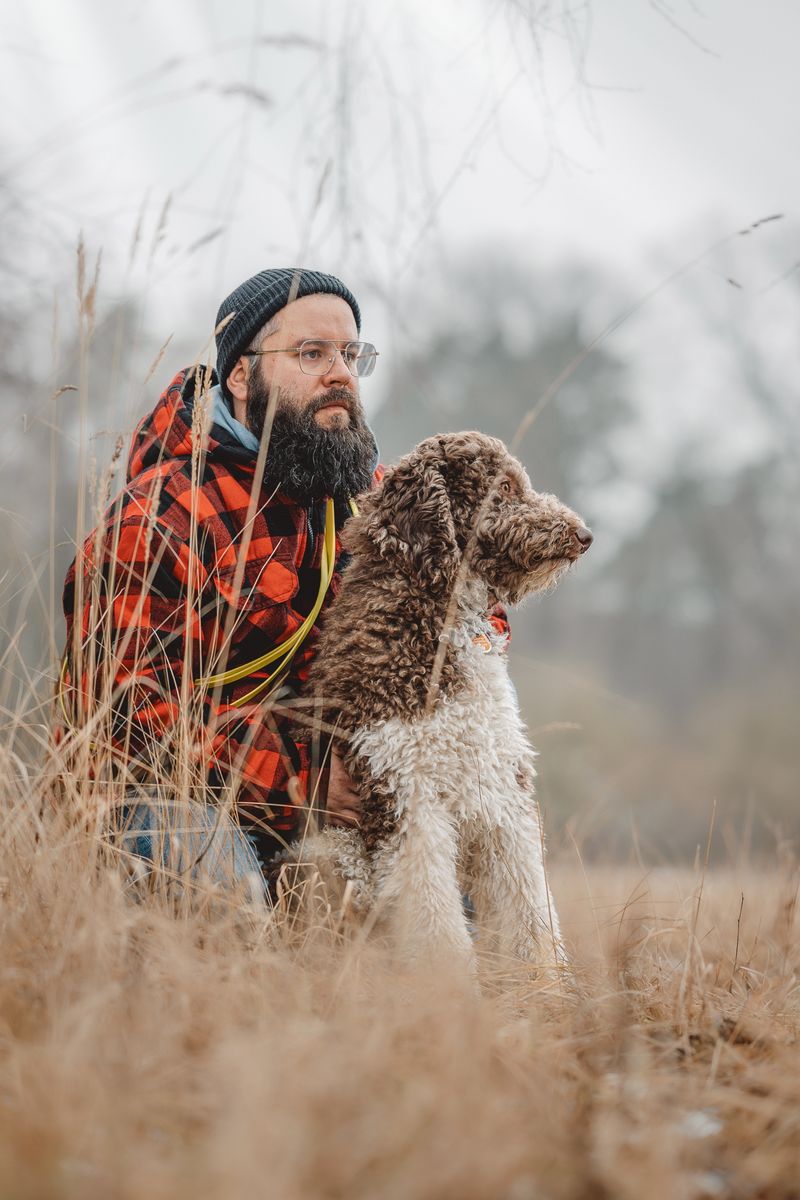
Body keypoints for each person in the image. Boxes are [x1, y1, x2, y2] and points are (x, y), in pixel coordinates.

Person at [60, 268, 382, 895]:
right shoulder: (161, 515)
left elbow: (461, 603)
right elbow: (129, 714)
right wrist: (309, 781)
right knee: (221, 892)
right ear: (240, 375)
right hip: (154, 801)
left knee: (437, 908)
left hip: (312, 804)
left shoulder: (366, 502)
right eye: (310, 353)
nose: (340, 372)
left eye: (350, 354)